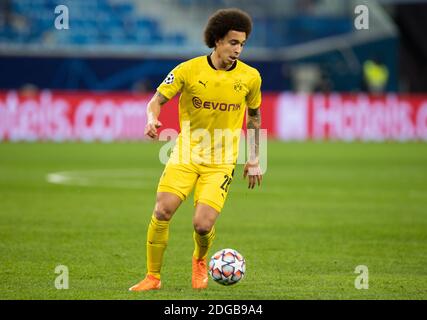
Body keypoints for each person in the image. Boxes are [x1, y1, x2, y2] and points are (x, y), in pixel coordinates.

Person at [129, 8, 263, 291]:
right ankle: (153, 277)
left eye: (242, 44)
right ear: (217, 40)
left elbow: (253, 117)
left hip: (222, 161)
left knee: (202, 225)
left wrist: (254, 158)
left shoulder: (251, 78)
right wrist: (152, 119)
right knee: (162, 211)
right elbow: (156, 101)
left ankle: (200, 261)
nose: (238, 49)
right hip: (185, 154)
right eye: (233, 42)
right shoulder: (188, 70)